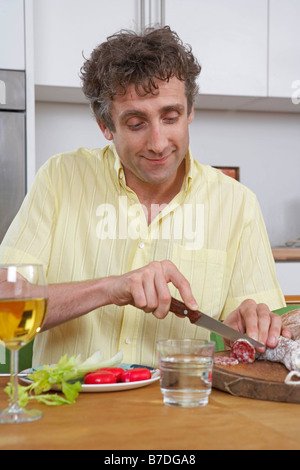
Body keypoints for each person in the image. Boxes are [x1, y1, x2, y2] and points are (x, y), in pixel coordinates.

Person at [0, 27, 291, 368]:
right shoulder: (60, 178)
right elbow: (6, 300)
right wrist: (110, 288)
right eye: (137, 123)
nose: (158, 142)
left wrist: (251, 324)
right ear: (105, 126)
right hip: (70, 411)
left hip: (186, 410)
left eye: (170, 117)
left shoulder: (237, 204)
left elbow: (258, 337)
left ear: (190, 111)